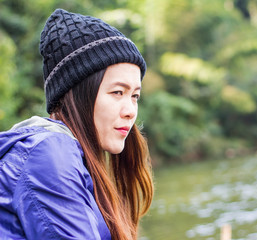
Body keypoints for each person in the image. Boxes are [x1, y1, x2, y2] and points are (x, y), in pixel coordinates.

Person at [0, 8, 153, 240]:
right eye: (117, 92)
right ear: (79, 94)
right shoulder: (47, 152)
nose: (130, 111)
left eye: (134, 96)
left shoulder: (65, 155)